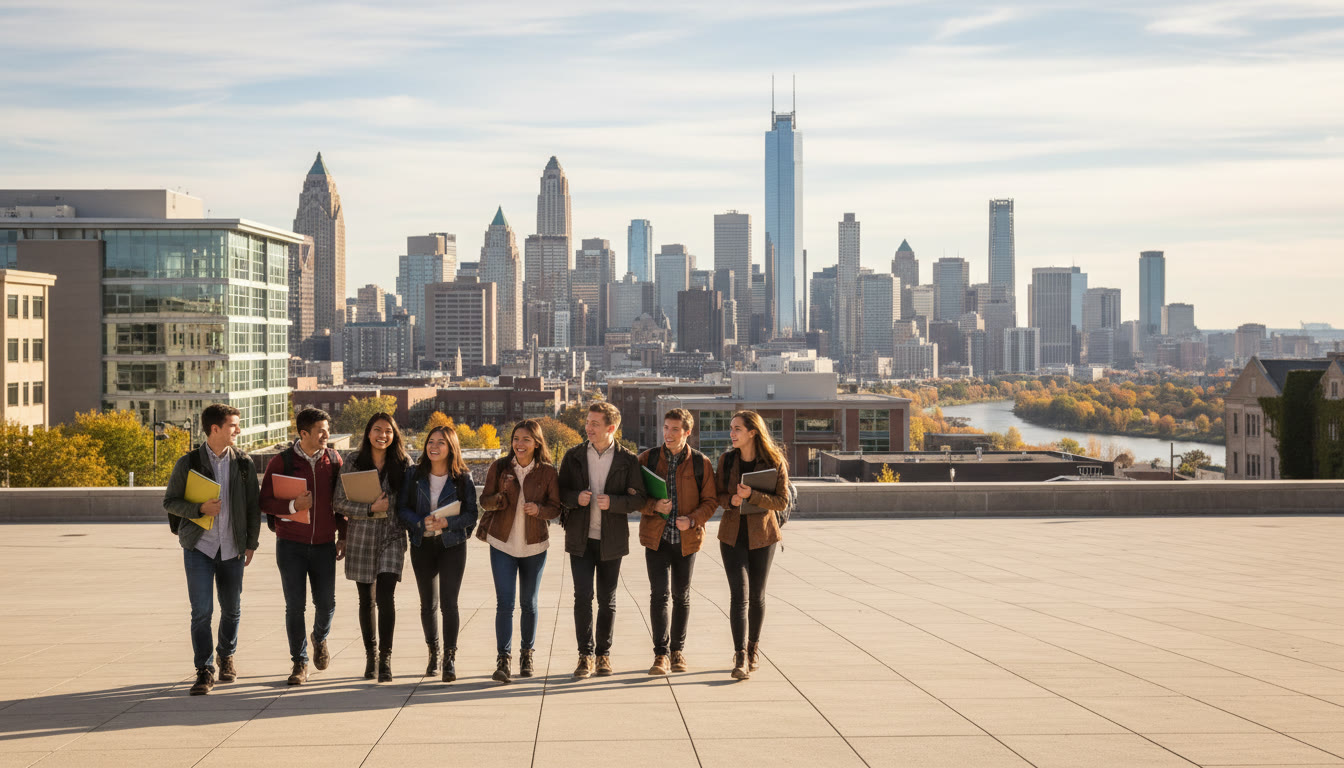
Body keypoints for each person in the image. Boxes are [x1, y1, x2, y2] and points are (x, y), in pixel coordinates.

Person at [162, 403, 261, 695]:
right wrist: (199, 508)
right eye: (233, 425)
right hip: (199, 548)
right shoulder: (188, 462)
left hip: (232, 548)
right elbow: (170, 502)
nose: (238, 430)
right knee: (201, 612)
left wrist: (251, 543)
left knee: (232, 610)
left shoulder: (244, 463)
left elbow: (254, 507)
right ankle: (204, 670)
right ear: (215, 429)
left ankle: (226, 655)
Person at [557, 402, 647, 679]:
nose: (588, 427)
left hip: (612, 540)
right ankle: (584, 656)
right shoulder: (573, 456)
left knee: (607, 600)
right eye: (587, 422)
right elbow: (559, 492)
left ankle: (603, 656)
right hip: (580, 539)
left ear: (611, 428)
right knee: (582, 597)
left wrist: (615, 503)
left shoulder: (628, 460)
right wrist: (576, 498)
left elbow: (640, 499)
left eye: (595, 423)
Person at [260, 407, 345, 686]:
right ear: (304, 433)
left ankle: (319, 638)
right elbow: (264, 502)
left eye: (327, 429)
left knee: (326, 604)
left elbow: (342, 504)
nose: (326, 434)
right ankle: (300, 662)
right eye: (320, 430)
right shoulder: (281, 462)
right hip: (290, 546)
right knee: (295, 606)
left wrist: (342, 535)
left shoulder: (334, 460)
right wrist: (293, 506)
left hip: (324, 546)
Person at [476, 419, 561, 684]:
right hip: (502, 543)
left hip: (534, 545)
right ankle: (504, 659)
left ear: (537, 443)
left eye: (525, 439)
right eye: (516, 439)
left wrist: (540, 510)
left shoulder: (547, 472)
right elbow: (484, 500)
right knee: (505, 603)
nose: (519, 444)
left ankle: (527, 654)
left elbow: (556, 507)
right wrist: (499, 499)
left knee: (529, 603)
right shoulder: (500, 467)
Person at [332, 412, 412, 682]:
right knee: (366, 600)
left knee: (385, 596)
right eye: (378, 430)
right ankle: (371, 656)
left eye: (388, 431)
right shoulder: (353, 462)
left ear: (394, 435)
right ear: (368, 433)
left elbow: (412, 500)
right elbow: (338, 502)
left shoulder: (403, 463)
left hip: (392, 537)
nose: (383, 436)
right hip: (362, 537)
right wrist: (369, 508)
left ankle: (386, 659)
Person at [637, 408, 718, 676]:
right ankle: (660, 654)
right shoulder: (647, 459)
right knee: (658, 596)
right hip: (656, 538)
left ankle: (677, 651)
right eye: (666, 428)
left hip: (686, 540)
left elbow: (711, 501)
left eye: (674, 430)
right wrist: (653, 506)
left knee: (681, 596)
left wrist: (693, 520)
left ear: (687, 433)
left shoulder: (700, 463)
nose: (668, 434)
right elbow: (633, 495)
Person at [399, 425, 477, 683]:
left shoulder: (462, 478)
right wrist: (421, 522)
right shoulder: (414, 474)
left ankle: (450, 658)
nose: (434, 446)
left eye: (440, 442)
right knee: (427, 603)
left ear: (451, 447)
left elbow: (471, 515)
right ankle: (433, 651)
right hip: (423, 543)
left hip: (452, 545)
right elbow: (403, 509)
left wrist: (446, 524)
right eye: (430, 441)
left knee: (449, 603)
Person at [716, 410, 789, 681]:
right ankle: (740, 656)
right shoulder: (726, 460)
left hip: (763, 537)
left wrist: (753, 496)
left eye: (737, 429)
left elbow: (781, 501)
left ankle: (753, 648)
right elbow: (718, 495)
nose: (731, 433)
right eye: (731, 428)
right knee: (739, 595)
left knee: (757, 596)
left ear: (752, 432)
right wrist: (731, 501)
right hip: (732, 536)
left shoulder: (773, 460)